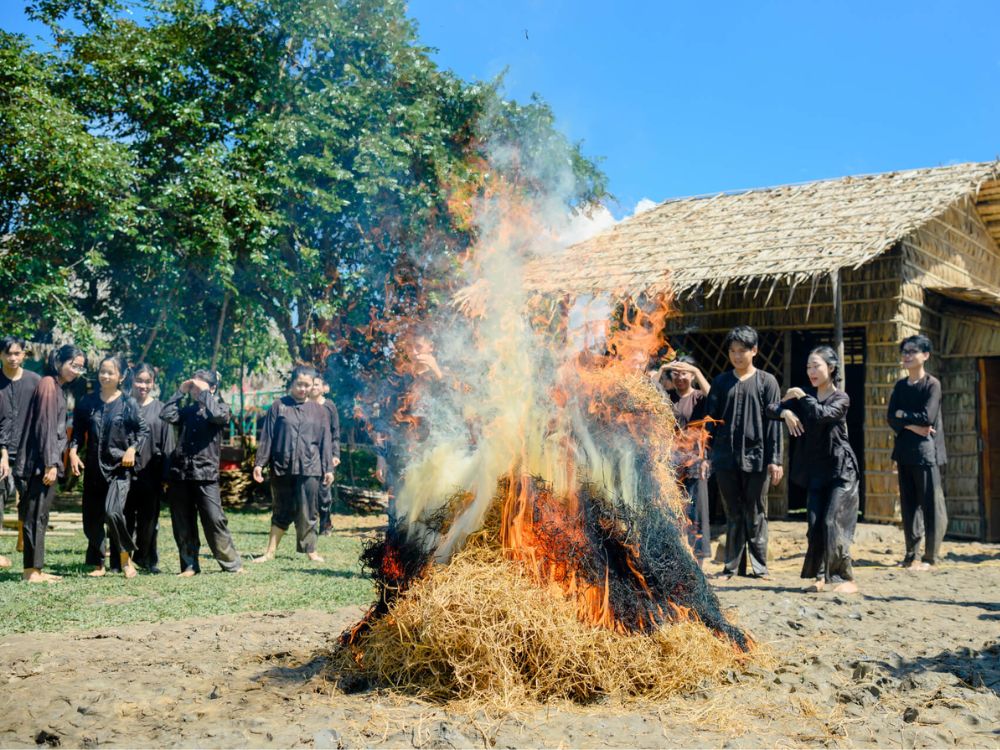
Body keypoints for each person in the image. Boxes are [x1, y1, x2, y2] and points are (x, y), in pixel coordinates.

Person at [767, 346, 859, 593]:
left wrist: (801, 398)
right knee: (815, 524)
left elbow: (821, 414)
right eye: (808, 366)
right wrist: (786, 411)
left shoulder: (841, 398)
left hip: (841, 469)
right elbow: (770, 408)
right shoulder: (804, 394)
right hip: (817, 470)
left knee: (832, 522)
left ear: (831, 368)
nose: (811, 371)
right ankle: (822, 577)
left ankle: (845, 578)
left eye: (816, 366)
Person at [704, 326, 783, 579]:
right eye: (732, 351)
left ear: (754, 351)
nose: (737, 356)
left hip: (757, 458)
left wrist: (775, 460)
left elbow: (774, 423)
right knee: (733, 512)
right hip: (725, 458)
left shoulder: (767, 381)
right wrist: (705, 455)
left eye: (742, 351)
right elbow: (710, 423)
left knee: (756, 510)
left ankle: (760, 568)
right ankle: (731, 567)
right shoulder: (720, 382)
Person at [69, 355, 150, 579]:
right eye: (102, 371)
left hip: (119, 470)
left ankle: (126, 561)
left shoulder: (128, 403)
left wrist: (133, 449)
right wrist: (73, 452)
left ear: (121, 376)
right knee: (92, 518)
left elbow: (143, 432)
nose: (105, 376)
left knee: (113, 512)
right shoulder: (87, 402)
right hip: (94, 469)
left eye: (110, 372)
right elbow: (77, 431)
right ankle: (98, 563)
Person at [14, 344, 86, 582]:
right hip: (40, 464)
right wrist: (50, 463)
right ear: (59, 361)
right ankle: (31, 572)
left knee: (40, 514)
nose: (76, 371)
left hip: (43, 461)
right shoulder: (48, 384)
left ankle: (36, 569)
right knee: (36, 514)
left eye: (80, 368)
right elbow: (45, 427)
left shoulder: (57, 388)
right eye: (72, 365)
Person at [162, 369, 244, 575]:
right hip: (180, 472)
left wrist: (205, 392)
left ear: (213, 388)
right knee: (182, 520)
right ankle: (189, 565)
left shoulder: (222, 409)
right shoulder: (187, 411)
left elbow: (216, 415)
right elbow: (166, 414)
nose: (195, 391)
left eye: (200, 387)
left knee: (214, 518)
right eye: (194, 387)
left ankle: (231, 564)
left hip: (205, 473)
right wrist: (180, 393)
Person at [253, 366, 334, 562]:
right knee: (281, 508)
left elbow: (325, 441)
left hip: (310, 467)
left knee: (308, 511)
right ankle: (270, 552)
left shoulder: (320, 411)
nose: (303, 389)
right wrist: (259, 463)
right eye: (299, 384)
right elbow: (268, 436)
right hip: (282, 466)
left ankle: (310, 551)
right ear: (292, 383)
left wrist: (328, 468)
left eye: (307, 385)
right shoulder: (279, 406)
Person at [887, 334, 948, 571]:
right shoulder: (900, 386)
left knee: (930, 505)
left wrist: (904, 417)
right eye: (904, 351)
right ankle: (910, 554)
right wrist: (910, 423)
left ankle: (930, 557)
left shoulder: (932, 384)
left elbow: (928, 417)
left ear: (926, 355)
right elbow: (891, 417)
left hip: (926, 452)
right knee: (909, 505)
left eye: (913, 351)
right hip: (904, 451)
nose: (907, 356)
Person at [658, 356, 712, 566]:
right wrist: (663, 368)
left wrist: (697, 372)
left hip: (696, 462)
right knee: (673, 511)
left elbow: (716, 397)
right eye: (676, 373)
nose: (680, 377)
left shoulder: (699, 397)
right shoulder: (667, 397)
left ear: (692, 374)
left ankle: (699, 562)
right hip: (669, 463)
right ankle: (677, 561)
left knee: (697, 512)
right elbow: (644, 391)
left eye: (685, 372)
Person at [123, 363, 173, 573]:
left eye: (147, 381)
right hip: (123, 473)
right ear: (132, 380)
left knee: (149, 521)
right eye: (139, 380)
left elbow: (168, 443)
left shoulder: (161, 409)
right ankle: (122, 560)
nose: (143, 385)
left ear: (153, 383)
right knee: (124, 518)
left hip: (151, 474)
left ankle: (147, 559)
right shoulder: (123, 405)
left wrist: (166, 476)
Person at [0, 335, 42, 568]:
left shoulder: (35, 381)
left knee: (27, 498)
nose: (13, 358)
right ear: (1, 355)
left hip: (28, 449)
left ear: (24, 354)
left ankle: (22, 540)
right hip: (1, 451)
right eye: (8, 353)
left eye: (17, 353)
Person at [309, 374, 341, 536]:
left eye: (317, 384)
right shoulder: (303, 405)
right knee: (309, 490)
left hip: (326, 453)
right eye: (311, 384)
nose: (314, 387)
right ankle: (309, 524)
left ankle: (326, 523)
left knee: (324, 491)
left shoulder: (329, 406)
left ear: (323, 388)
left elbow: (335, 432)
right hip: (308, 453)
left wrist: (335, 454)